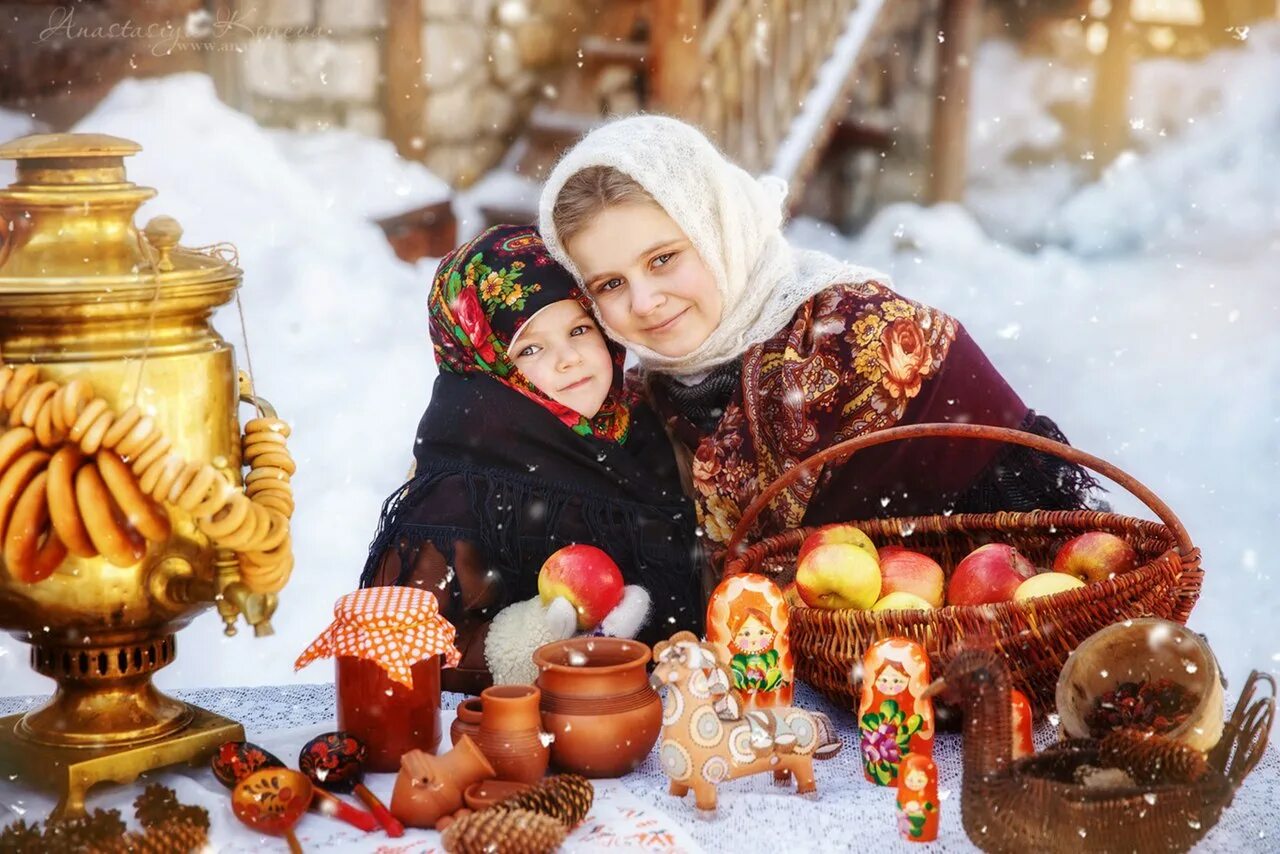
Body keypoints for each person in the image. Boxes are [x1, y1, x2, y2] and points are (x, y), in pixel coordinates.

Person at [538, 115, 1099, 567]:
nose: (643, 302)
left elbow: (1038, 538)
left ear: (720, 233)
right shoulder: (644, 400)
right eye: (610, 284)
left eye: (663, 259)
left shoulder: (864, 333)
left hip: (955, 663)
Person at [361, 224, 703, 693]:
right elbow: (407, 649)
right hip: (520, 732)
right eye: (530, 348)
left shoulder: (640, 426)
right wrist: (542, 639)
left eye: (580, 329)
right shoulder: (469, 477)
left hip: (667, 714)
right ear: (484, 362)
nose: (569, 359)